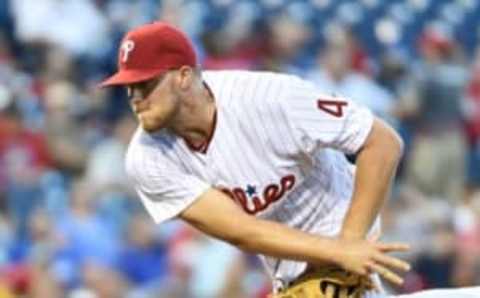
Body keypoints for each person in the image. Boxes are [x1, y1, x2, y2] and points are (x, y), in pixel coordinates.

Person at [100, 22, 479, 298]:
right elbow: (240, 231)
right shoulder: (146, 159)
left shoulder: (269, 98)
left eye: (146, 83)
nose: (134, 95)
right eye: (128, 85)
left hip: (342, 216)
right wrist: (334, 254)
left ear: (183, 76)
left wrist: (348, 241)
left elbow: (382, 141)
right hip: (288, 262)